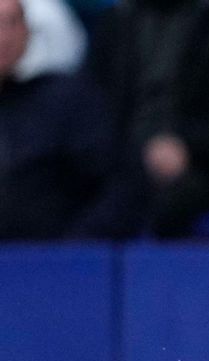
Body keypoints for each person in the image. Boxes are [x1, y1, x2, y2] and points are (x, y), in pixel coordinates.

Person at [89, 0, 209, 238]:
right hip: (126, 163)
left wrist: (187, 146)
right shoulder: (116, 23)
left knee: (168, 204)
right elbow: (92, 107)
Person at [0, 0, 132, 239]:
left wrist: (74, 246)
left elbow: (120, 185)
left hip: (54, 256)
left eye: (12, 23)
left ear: (28, 32)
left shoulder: (65, 100)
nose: (4, 36)